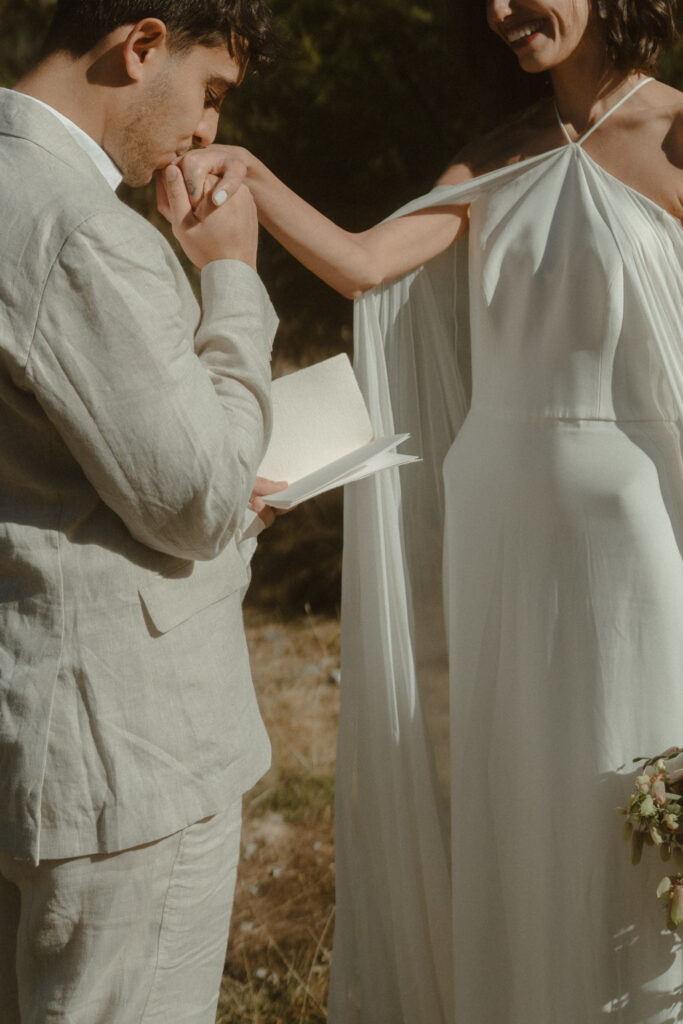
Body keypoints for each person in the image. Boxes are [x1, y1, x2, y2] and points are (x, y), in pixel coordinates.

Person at [181, 0, 683, 1020]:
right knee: (521, 801)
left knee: (626, 783)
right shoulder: (495, 155)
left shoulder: (673, 130)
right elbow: (363, 263)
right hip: (494, 520)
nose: (501, 9)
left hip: (633, 529)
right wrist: (254, 176)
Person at [0, 2, 286, 1022]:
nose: (207, 130)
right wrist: (231, 277)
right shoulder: (77, 228)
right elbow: (199, 500)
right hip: (125, 756)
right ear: (142, 43)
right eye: (211, 92)